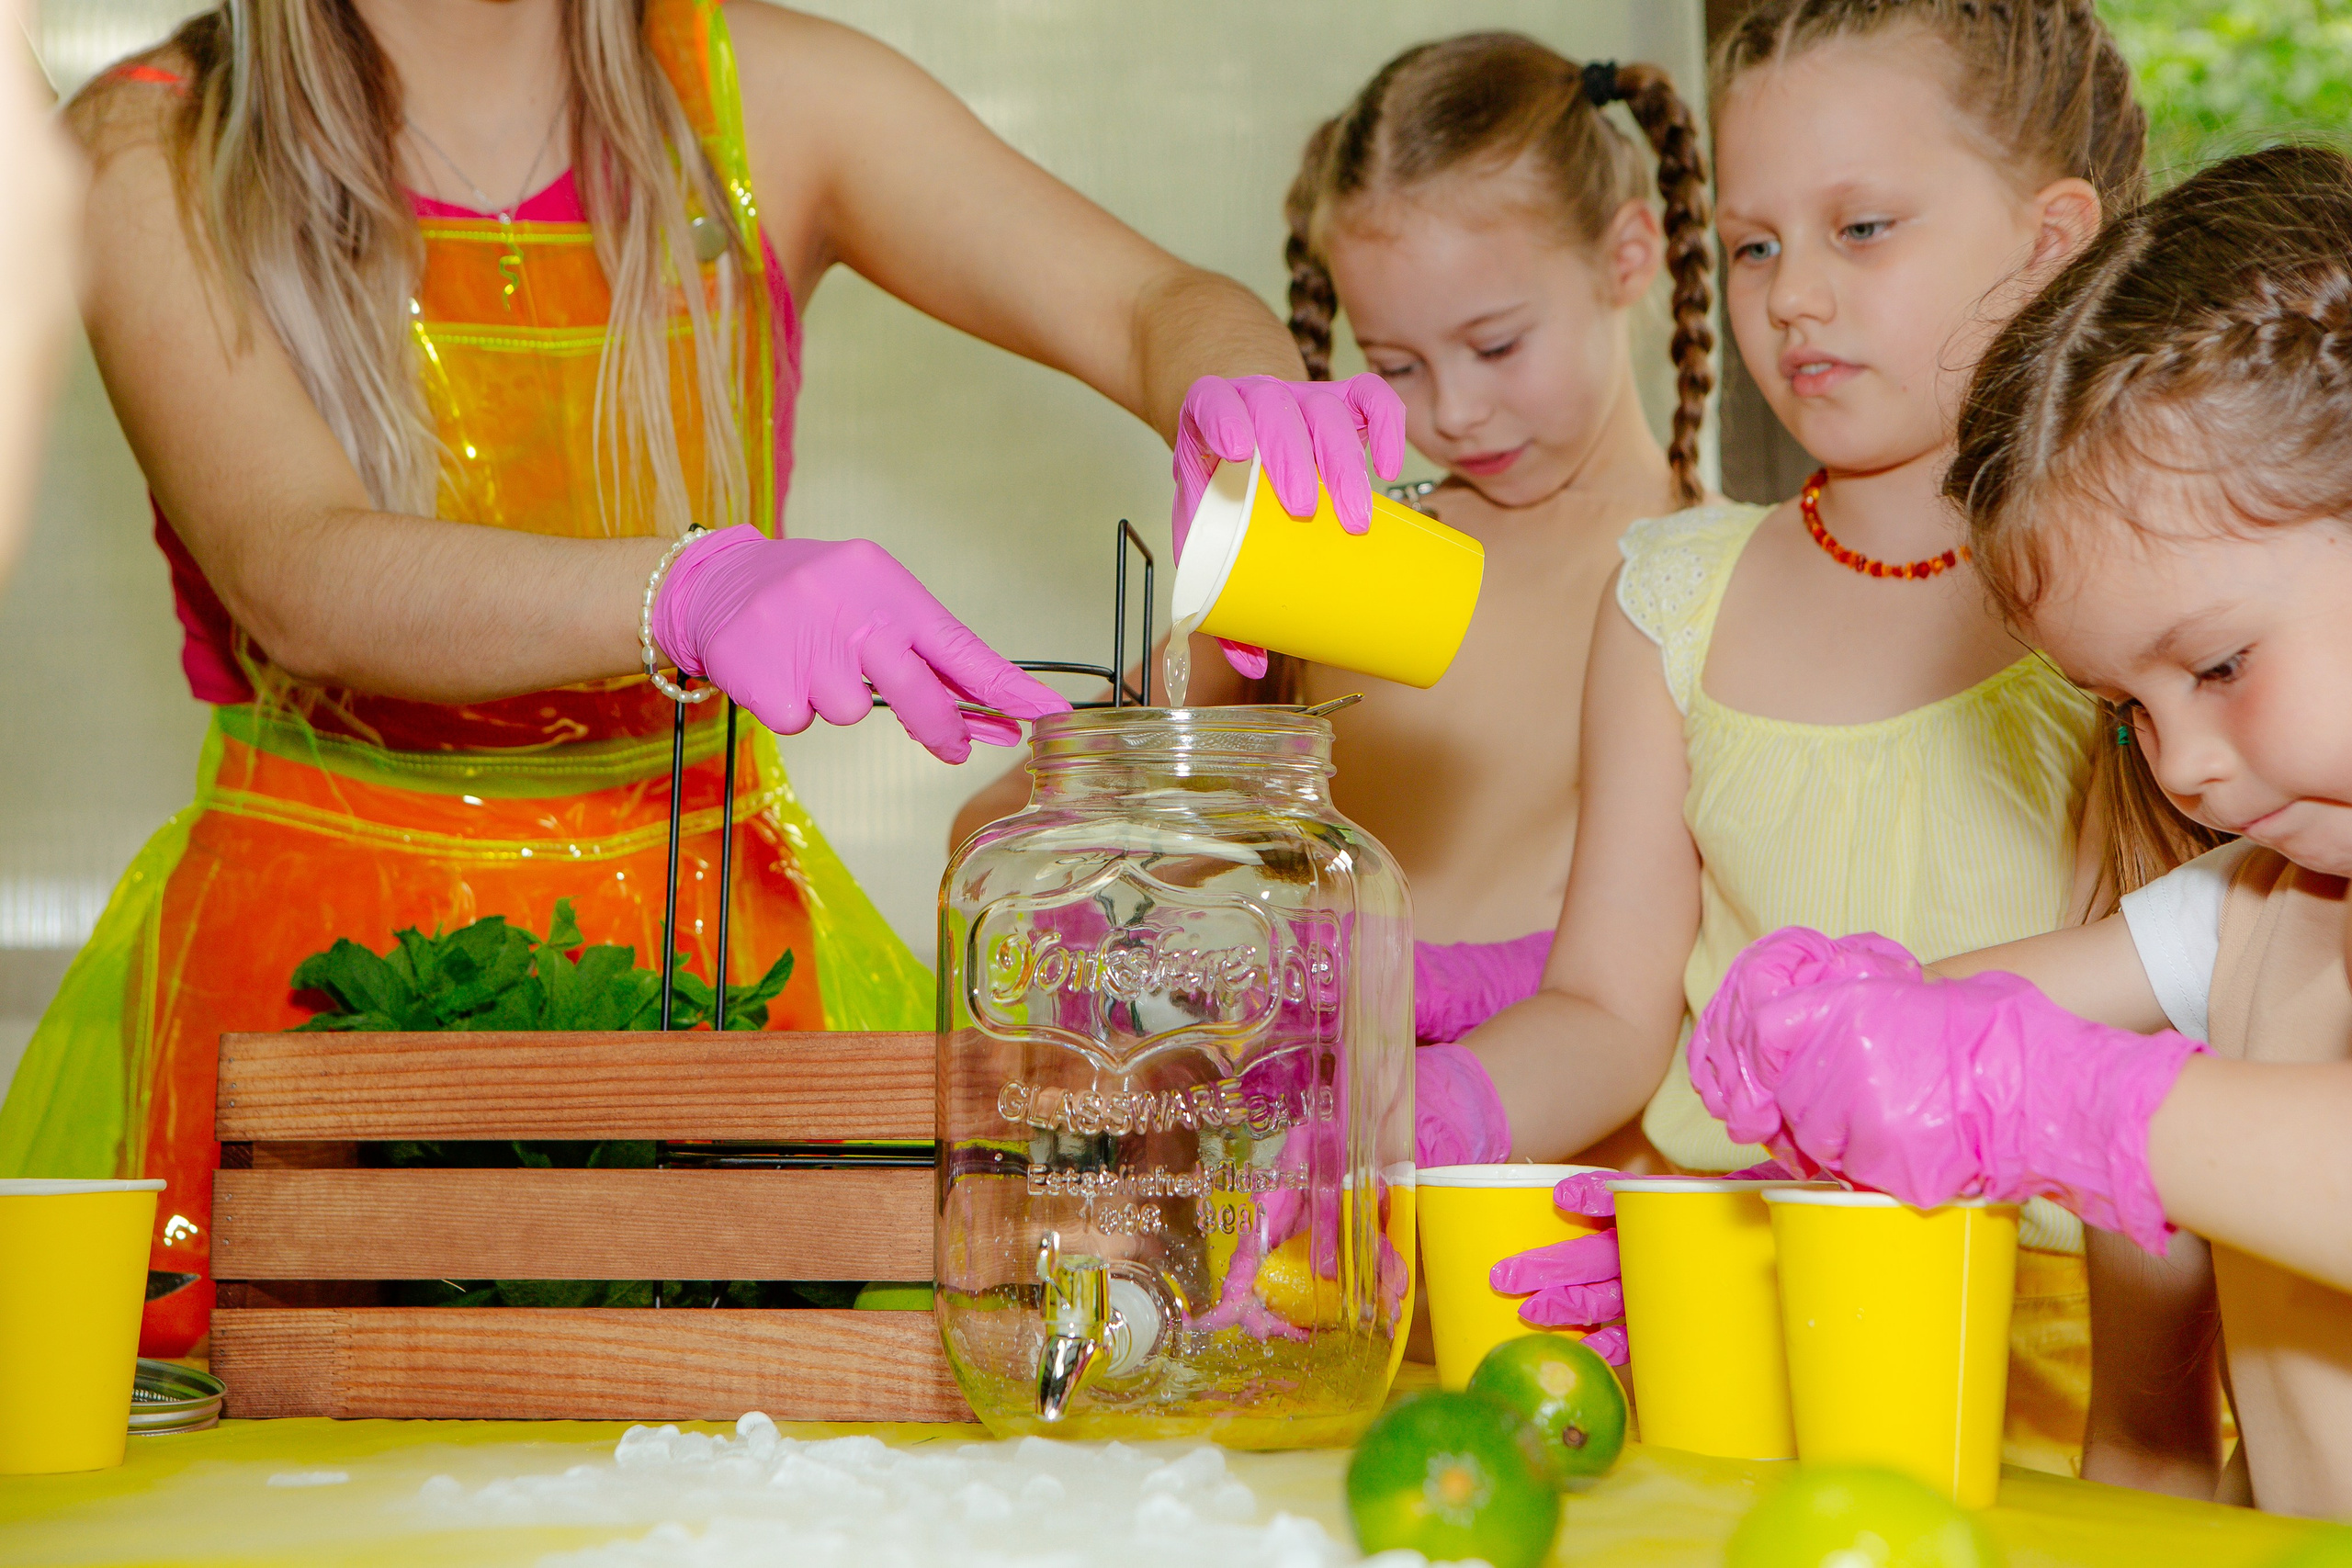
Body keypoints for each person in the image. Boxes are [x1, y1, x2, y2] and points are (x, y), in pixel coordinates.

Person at [0, 0, 1396, 1357]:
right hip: (302, 1035)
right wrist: (687, 586)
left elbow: (1154, 300)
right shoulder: (149, 154)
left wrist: (1243, 387)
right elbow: (293, 572)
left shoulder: (770, 96)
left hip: (719, 992)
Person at [1440, 0, 2146, 1475]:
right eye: (1755, 245)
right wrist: (1438, 1103)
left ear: (2051, 238)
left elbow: (2183, 1014)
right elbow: (1608, 1006)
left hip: (2087, 1360)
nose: (1793, 298)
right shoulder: (1672, 600)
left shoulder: (2150, 605)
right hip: (1748, 1337)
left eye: (1862, 229)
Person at [1689, 144, 2352, 1518]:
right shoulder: (2264, 903)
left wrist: (2056, 1095)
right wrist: (1785, 1118)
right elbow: (1959, 1016)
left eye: (2219, 664)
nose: (2185, 765)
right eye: (2127, 708)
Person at [955, 35, 1713, 1168]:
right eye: (1394, 364)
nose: (1453, 410)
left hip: (1569, 1200)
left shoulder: (1716, 585)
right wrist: (1127, 966)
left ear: (1629, 254)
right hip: (1295, 1192)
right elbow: (1011, 829)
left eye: (1496, 343)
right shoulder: (1338, 568)